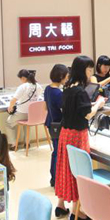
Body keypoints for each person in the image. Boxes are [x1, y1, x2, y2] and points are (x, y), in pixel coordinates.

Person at [55, 56, 106, 220]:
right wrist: (98, 104)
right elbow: (88, 114)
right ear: (82, 70)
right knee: (78, 170)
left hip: (65, 133)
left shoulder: (67, 88)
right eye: (89, 70)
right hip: (77, 135)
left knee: (64, 167)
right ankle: (77, 211)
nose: (90, 73)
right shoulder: (81, 92)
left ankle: (61, 205)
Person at [45, 64, 68, 193]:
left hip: (50, 123)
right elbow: (66, 109)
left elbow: (45, 107)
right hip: (58, 125)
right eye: (66, 76)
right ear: (61, 76)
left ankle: (54, 178)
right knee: (58, 153)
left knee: (55, 152)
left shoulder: (48, 89)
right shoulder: (58, 93)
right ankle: (56, 179)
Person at [6, 69, 43, 148]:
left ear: (23, 78)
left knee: (9, 123)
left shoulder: (23, 87)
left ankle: (13, 144)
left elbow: (13, 100)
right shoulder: (38, 86)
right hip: (32, 115)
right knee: (27, 124)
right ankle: (27, 143)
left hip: (21, 113)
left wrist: (10, 107)